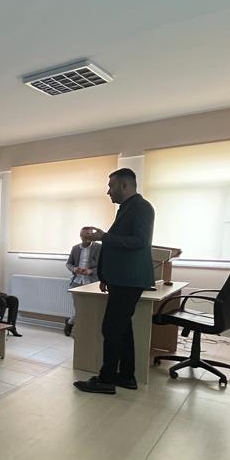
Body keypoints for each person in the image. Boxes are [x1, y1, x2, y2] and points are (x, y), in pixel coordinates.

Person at [73, 168, 155, 394]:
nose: (108, 191)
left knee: (111, 327)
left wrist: (103, 237)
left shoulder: (142, 208)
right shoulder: (126, 209)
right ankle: (126, 376)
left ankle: (106, 379)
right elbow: (119, 246)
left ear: (125, 186)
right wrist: (107, 276)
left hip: (130, 279)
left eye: (111, 186)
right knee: (122, 327)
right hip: (121, 278)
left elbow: (139, 241)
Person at [64, 228, 102, 336]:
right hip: (77, 282)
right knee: (79, 308)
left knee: (90, 309)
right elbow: (69, 263)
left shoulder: (99, 248)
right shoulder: (75, 248)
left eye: (89, 235)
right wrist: (74, 269)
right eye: (84, 235)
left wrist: (91, 271)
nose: (86, 238)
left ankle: (71, 322)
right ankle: (78, 331)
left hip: (92, 282)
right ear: (80, 236)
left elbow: (103, 265)